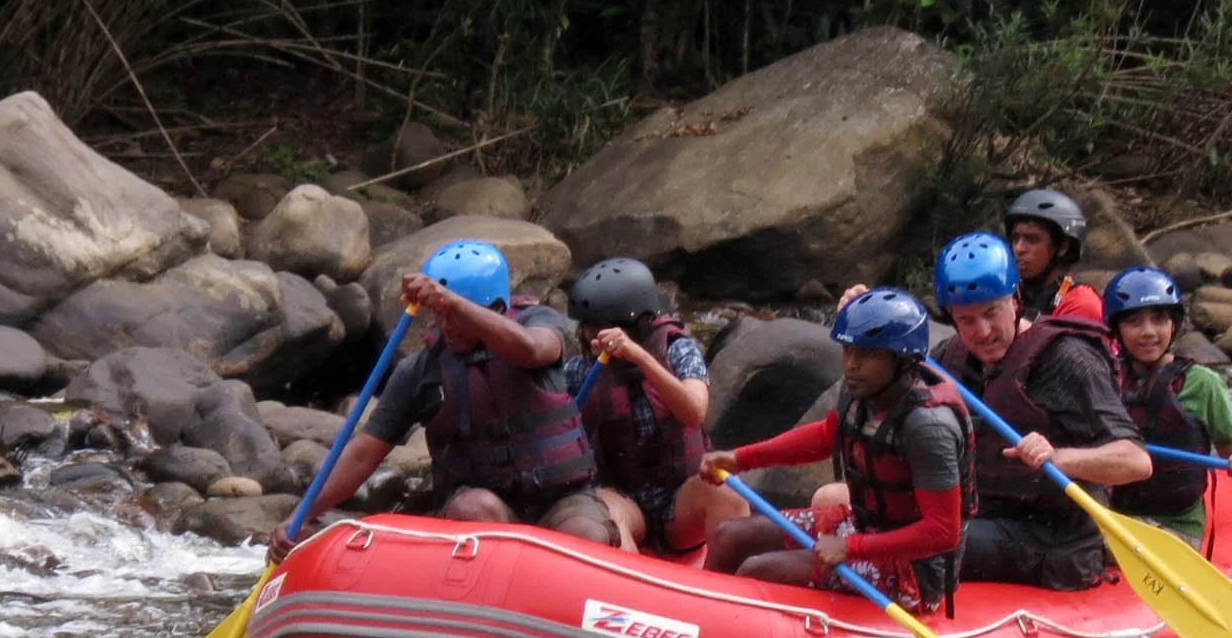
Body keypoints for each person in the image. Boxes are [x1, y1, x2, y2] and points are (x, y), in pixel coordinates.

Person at [269, 240, 616, 561]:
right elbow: (362, 454)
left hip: (561, 499)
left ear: (495, 307)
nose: (446, 324)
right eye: (438, 313)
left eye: (456, 313)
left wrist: (449, 299)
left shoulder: (539, 323)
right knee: (474, 509)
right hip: (485, 504)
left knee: (585, 533)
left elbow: (531, 350)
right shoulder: (420, 371)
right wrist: (304, 514)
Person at [698, 288, 971, 613]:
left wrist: (849, 547)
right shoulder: (865, 392)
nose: (851, 364)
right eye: (847, 351)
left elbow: (942, 532)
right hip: (863, 526)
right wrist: (741, 458)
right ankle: (699, 622)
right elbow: (828, 435)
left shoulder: (929, 428)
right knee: (729, 536)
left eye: (867, 355)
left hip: (912, 571)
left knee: (757, 570)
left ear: (902, 360)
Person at [931, 231, 1150, 592]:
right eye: (967, 320)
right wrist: (866, 313)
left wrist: (1058, 457)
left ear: (1015, 299)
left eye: (992, 312)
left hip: (1054, 541)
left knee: (928, 544)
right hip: (981, 514)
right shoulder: (949, 356)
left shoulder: (1068, 360)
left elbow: (1136, 462)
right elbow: (893, 378)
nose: (983, 331)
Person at [565, 257, 742, 554]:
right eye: (588, 328)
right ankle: (629, 587)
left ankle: (726, 591)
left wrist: (640, 358)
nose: (593, 338)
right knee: (603, 515)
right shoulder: (579, 371)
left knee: (728, 491)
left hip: (680, 499)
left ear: (636, 323)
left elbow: (694, 411)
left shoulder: (677, 349)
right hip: (624, 499)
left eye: (604, 328)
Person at [1101, 266, 1232, 548]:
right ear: (1117, 329)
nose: (1148, 332)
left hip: (1174, 527)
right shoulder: (1103, 379)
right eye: (1134, 321)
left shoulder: (1203, 384)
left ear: (1173, 325)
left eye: (1159, 320)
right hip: (1112, 516)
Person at [1006, 188, 1104, 324]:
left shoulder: (1082, 303)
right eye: (1016, 238)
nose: (1019, 248)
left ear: (1063, 247)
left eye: (1032, 239)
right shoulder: (1012, 294)